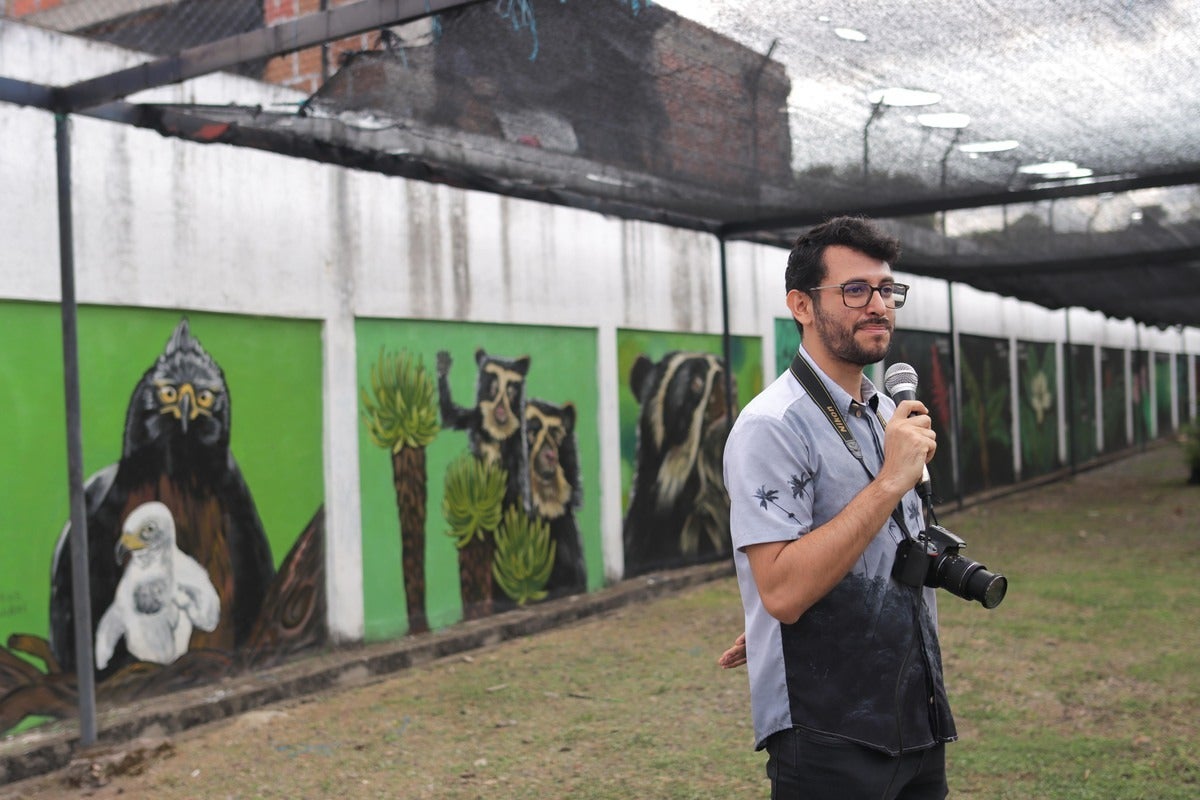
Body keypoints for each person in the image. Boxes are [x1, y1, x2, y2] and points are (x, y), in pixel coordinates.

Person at [721, 216, 954, 799]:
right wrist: (886, 484)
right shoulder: (771, 427)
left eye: (886, 290)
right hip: (830, 734)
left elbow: (868, 550)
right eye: (855, 290)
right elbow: (783, 591)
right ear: (801, 305)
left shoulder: (883, 412)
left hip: (915, 713)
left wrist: (840, 604)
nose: (877, 305)